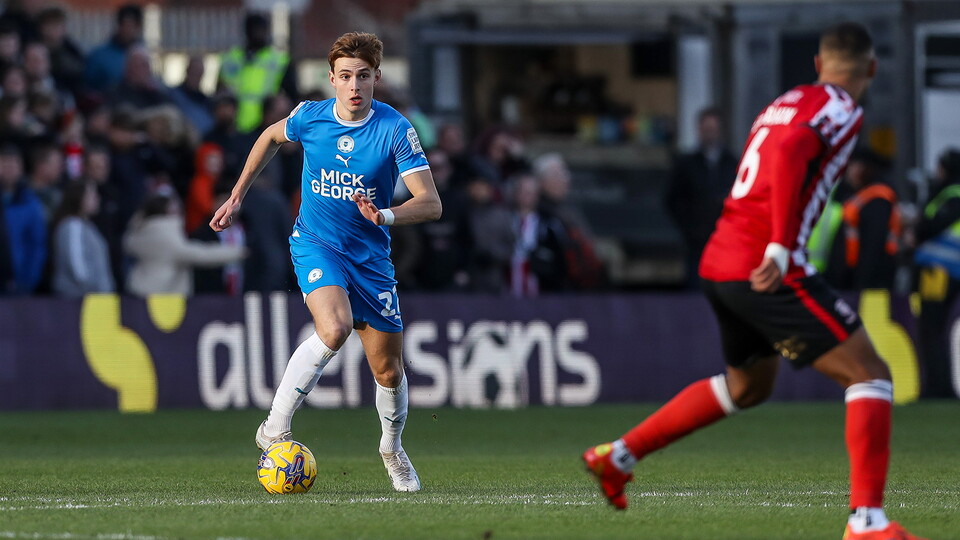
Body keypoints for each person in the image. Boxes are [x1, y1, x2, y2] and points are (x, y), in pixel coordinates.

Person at [582, 23, 926, 540]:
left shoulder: (785, 102)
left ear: (817, 64)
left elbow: (776, 151)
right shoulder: (839, 108)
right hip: (765, 266)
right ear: (871, 70)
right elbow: (788, 156)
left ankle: (618, 457)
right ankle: (867, 524)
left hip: (721, 261)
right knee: (869, 373)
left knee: (748, 387)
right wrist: (783, 245)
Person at [210, 32, 441, 492]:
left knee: (388, 371)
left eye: (363, 76)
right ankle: (274, 427)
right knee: (333, 329)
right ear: (331, 80)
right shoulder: (311, 118)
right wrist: (237, 194)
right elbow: (269, 137)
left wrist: (386, 215)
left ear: (376, 77)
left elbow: (430, 203)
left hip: (370, 257)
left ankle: (392, 449)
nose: (354, 86)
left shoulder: (395, 129)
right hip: (316, 243)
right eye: (345, 77)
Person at [665, 107, 738, 288]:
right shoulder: (687, 164)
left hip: (725, 241)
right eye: (706, 129)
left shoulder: (733, 163)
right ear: (699, 130)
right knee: (695, 291)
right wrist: (689, 228)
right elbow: (672, 199)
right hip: (696, 243)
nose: (710, 134)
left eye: (713, 129)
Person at [124, 193, 245, 297]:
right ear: (167, 210)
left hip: (139, 291)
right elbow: (201, 254)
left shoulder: (141, 230)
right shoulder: (166, 234)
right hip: (164, 295)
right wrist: (238, 252)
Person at [913, 148, 960, 399]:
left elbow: (930, 227)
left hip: (938, 269)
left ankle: (936, 388)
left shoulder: (950, 194)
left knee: (931, 328)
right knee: (938, 328)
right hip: (949, 270)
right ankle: (942, 386)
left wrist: (917, 231)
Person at [217, 12, 297, 134]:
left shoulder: (279, 61)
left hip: (267, 126)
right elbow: (220, 93)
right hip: (232, 127)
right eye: (254, 29)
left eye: (260, 29)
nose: (257, 34)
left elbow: (291, 97)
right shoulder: (231, 59)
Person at [50, 181, 115, 297]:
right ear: (79, 198)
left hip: (94, 298)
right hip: (80, 300)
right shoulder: (72, 225)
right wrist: (94, 289)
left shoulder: (88, 226)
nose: (97, 199)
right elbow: (77, 266)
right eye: (92, 195)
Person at [84, 4, 143, 94]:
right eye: (126, 25)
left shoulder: (143, 55)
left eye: (134, 26)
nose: (129, 30)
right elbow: (87, 89)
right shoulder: (99, 57)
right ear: (119, 25)